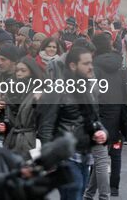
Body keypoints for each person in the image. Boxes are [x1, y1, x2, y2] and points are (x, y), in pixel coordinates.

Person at [36, 47, 108, 200]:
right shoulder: (58, 89)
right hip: (65, 157)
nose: (91, 67)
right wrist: (49, 158)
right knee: (74, 194)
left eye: (91, 63)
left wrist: (102, 133)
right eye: (86, 63)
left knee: (78, 193)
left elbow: (95, 120)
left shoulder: (88, 89)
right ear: (73, 65)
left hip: (84, 156)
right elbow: (46, 126)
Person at [86, 33, 127, 199]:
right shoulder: (122, 66)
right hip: (119, 116)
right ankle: (104, 190)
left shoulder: (93, 66)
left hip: (99, 116)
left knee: (99, 158)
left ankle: (101, 194)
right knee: (111, 155)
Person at [2, 56, 45, 160]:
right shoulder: (10, 90)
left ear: (32, 71)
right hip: (12, 139)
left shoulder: (39, 91)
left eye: (23, 70)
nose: (19, 73)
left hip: (31, 141)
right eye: (17, 70)